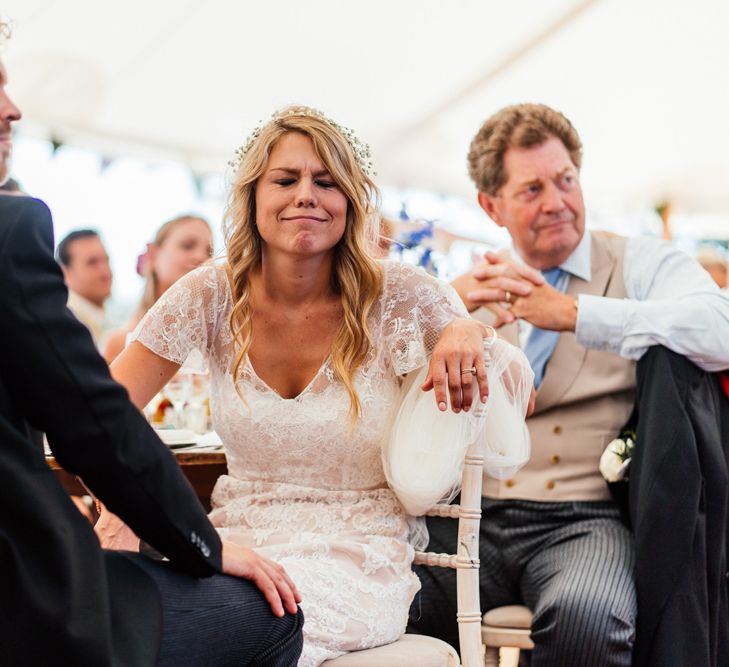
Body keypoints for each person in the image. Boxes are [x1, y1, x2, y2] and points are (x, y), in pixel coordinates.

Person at [98, 105, 516, 666]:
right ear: (252, 197)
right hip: (233, 545)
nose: (306, 195)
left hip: (357, 562)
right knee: (114, 608)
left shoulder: (402, 293)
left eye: (326, 182)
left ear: (350, 201)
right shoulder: (208, 293)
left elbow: (513, 389)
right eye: (285, 179)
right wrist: (121, 515)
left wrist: (466, 329)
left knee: (217, 623)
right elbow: (101, 414)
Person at [0, 24, 303, 667]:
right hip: (18, 598)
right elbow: (96, 424)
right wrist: (205, 548)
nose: (14, 109)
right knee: (274, 616)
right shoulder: (9, 230)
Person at [409, 103, 729, 666]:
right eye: (532, 189)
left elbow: (721, 329)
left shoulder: (638, 261)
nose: (557, 202)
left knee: (592, 619)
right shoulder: (465, 285)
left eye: (566, 181)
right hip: (461, 520)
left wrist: (578, 314)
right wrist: (437, 308)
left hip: (582, 521)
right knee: (381, 604)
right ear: (491, 205)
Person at [102, 214, 213, 363]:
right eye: (187, 245)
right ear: (154, 256)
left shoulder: (219, 341)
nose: (201, 256)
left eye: (209, 252)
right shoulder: (119, 343)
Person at [56, 229, 113, 346]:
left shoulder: (101, 318)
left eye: (106, 260)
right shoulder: (66, 325)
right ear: (65, 273)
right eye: (92, 263)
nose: (105, 271)